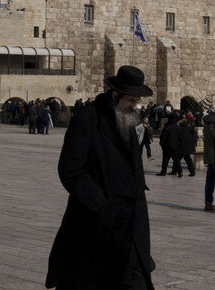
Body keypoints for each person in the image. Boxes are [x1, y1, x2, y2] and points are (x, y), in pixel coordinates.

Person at [46, 65, 155, 290]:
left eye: (138, 102)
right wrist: (101, 206)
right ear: (115, 95)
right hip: (96, 227)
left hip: (131, 227)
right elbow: (70, 170)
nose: (136, 107)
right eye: (131, 101)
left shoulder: (129, 119)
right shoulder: (88, 119)